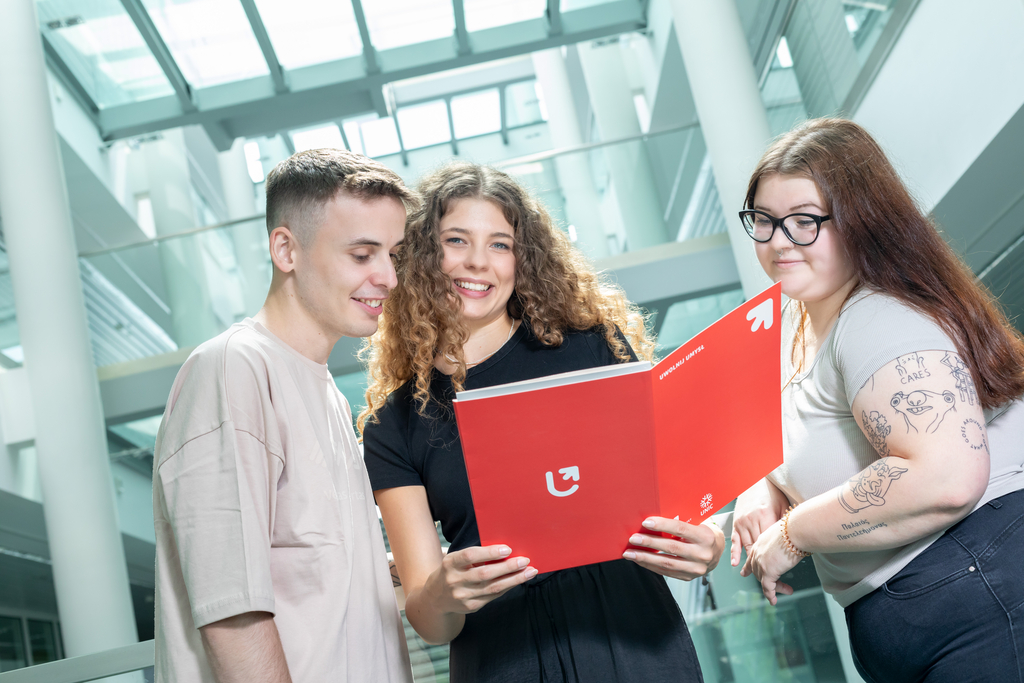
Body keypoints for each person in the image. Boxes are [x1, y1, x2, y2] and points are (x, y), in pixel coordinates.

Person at [358, 161, 724, 683]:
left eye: (500, 244)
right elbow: (430, 621)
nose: (479, 263)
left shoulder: (592, 348)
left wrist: (704, 541)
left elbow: (678, 502)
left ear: (522, 258)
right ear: (421, 255)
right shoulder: (392, 424)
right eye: (456, 240)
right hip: (502, 655)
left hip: (630, 636)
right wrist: (444, 591)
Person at [732, 118, 1024, 682]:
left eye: (804, 222)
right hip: (921, 605)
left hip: (977, 584)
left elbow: (946, 478)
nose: (778, 242)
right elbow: (802, 429)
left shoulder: (875, 318)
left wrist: (791, 534)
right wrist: (759, 483)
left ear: (861, 223)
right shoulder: (798, 323)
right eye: (764, 222)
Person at [152, 149, 416, 683]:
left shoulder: (329, 395)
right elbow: (232, 610)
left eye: (394, 254)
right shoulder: (232, 369)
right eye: (363, 254)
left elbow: (310, 569)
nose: (388, 276)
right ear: (286, 250)